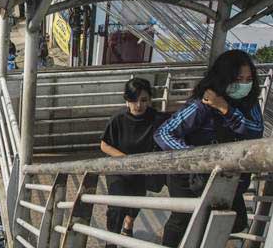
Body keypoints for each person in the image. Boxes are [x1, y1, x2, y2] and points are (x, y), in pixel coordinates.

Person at [154, 50, 264, 247]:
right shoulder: (202, 104)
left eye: (249, 79)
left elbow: (255, 131)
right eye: (239, 78)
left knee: (233, 220)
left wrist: (226, 109)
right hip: (189, 176)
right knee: (183, 219)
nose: (245, 84)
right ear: (225, 77)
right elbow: (163, 133)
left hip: (226, 176)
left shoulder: (250, 102)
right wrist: (193, 158)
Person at [100, 78, 167, 245]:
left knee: (136, 200)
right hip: (119, 170)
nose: (138, 105)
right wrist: (125, 160)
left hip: (141, 171)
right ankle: (112, 239)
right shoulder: (117, 120)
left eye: (143, 100)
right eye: (133, 100)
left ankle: (128, 224)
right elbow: (104, 145)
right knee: (116, 206)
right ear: (126, 100)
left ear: (150, 100)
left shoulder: (157, 119)